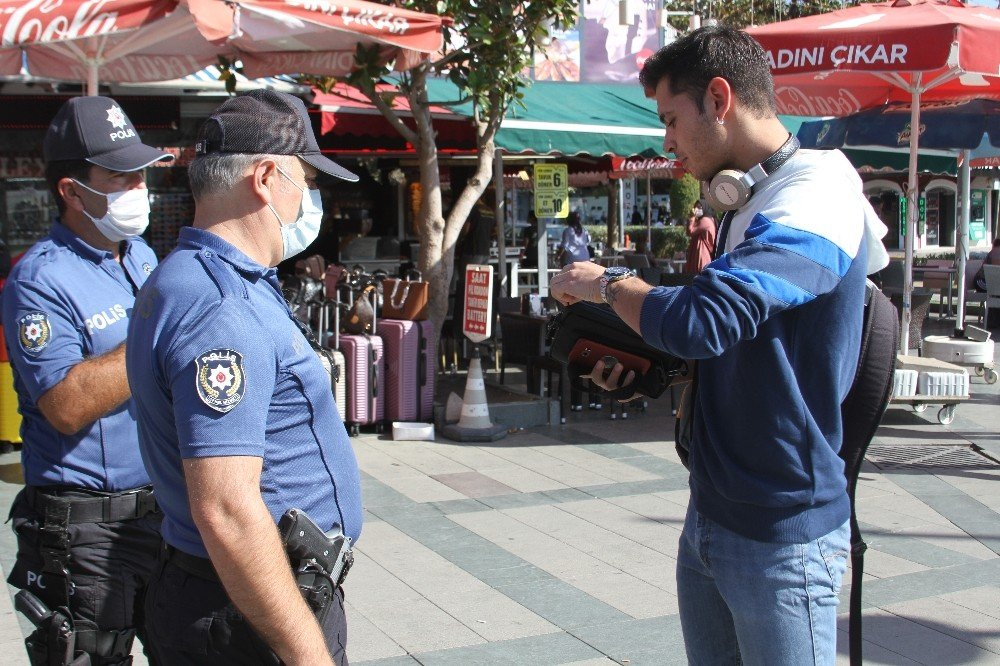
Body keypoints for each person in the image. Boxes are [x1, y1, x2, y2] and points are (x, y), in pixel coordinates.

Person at [549, 25, 889, 665]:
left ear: (719, 99)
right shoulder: (748, 200)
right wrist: (649, 369)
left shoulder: (817, 194)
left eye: (672, 119)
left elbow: (707, 320)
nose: (667, 140)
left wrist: (608, 284)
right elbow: (733, 345)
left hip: (783, 532)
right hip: (710, 512)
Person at [126, 90, 363, 665]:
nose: (310, 198)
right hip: (244, 612)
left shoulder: (205, 279)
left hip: (237, 596)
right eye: (304, 181)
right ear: (265, 178)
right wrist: (308, 655)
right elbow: (226, 508)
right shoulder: (220, 305)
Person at [1, 96, 171, 665]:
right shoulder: (40, 278)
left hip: (162, 512)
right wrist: (158, 332)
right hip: (87, 534)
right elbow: (66, 404)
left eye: (140, 172)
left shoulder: (141, 255)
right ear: (71, 191)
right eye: (119, 176)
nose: (137, 186)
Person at [684, 200, 716, 273]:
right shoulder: (707, 219)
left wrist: (692, 217)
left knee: (698, 271)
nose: (696, 210)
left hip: (701, 252)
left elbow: (691, 231)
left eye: (699, 207)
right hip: (699, 250)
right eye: (695, 207)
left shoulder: (705, 220)